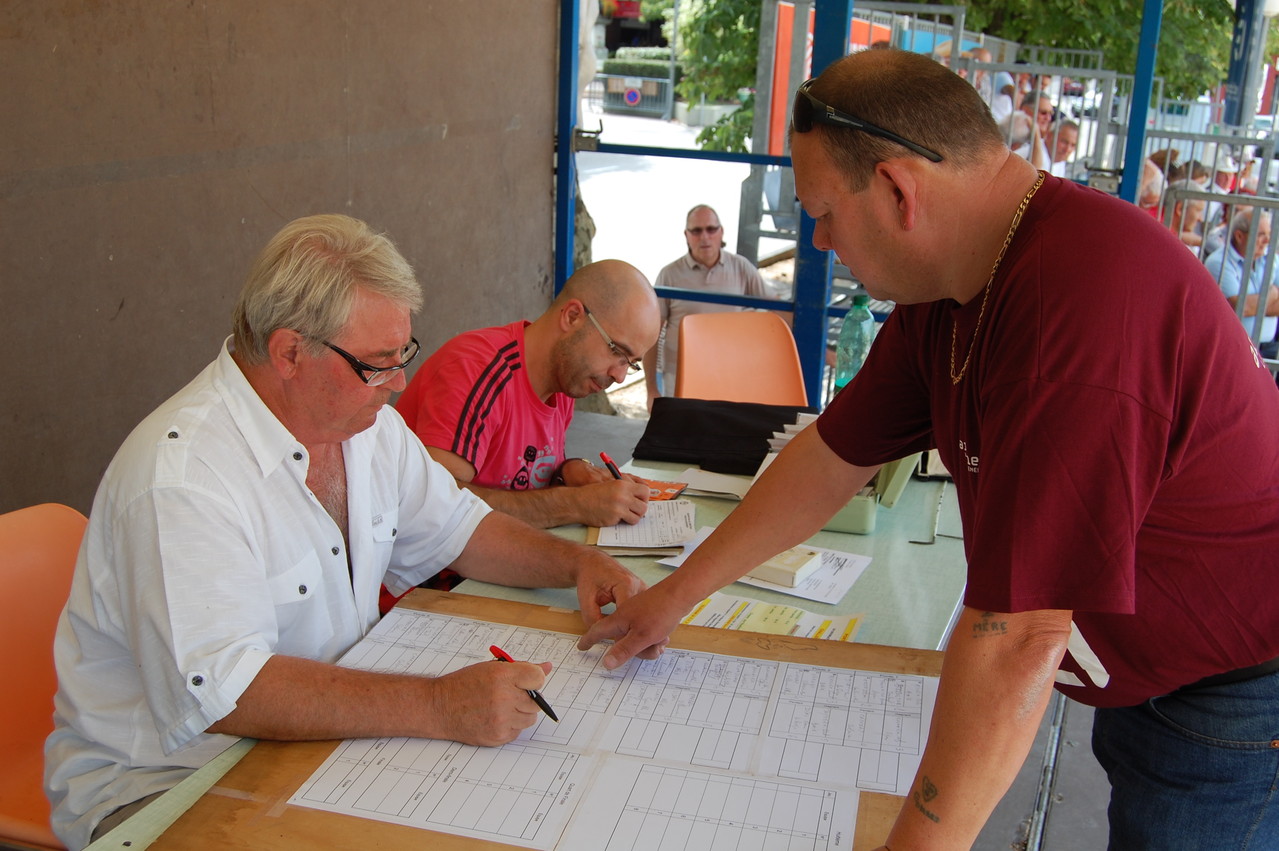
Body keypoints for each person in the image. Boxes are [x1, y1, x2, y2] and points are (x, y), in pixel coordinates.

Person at [579, 48, 1279, 849]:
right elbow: (827, 458)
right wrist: (676, 595)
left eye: (823, 213)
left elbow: (1018, 637)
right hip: (1143, 680)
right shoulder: (949, 288)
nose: (817, 241)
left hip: (1230, 700)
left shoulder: (1073, 304)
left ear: (897, 190)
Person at [45, 215, 651, 851]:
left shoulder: (364, 428)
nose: (400, 384)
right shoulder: (183, 481)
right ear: (288, 353)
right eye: (377, 364)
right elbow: (231, 694)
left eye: (403, 354)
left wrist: (579, 567)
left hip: (322, 740)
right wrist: (441, 706)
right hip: (167, 789)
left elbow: (460, 529)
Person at [397, 260, 660, 529]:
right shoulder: (475, 370)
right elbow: (438, 505)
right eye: (617, 351)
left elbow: (521, 477)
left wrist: (570, 471)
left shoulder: (565, 381)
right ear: (572, 317)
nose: (620, 376)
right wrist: (575, 504)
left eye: (631, 363)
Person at [641, 204, 775, 407]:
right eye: (696, 231)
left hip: (729, 376)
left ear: (721, 232)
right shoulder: (669, 274)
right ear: (686, 235)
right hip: (680, 377)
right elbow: (651, 334)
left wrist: (821, 346)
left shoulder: (741, 267)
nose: (705, 236)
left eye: (711, 229)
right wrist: (651, 388)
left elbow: (778, 310)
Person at [1204, 208, 1279, 358]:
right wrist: (1272, 293)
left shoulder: (1272, 259)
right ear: (1239, 236)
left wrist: (1253, 305)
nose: (1267, 240)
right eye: (1261, 235)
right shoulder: (1219, 262)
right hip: (1236, 350)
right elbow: (1240, 308)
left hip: (1269, 348)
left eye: (1269, 234)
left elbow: (1246, 307)